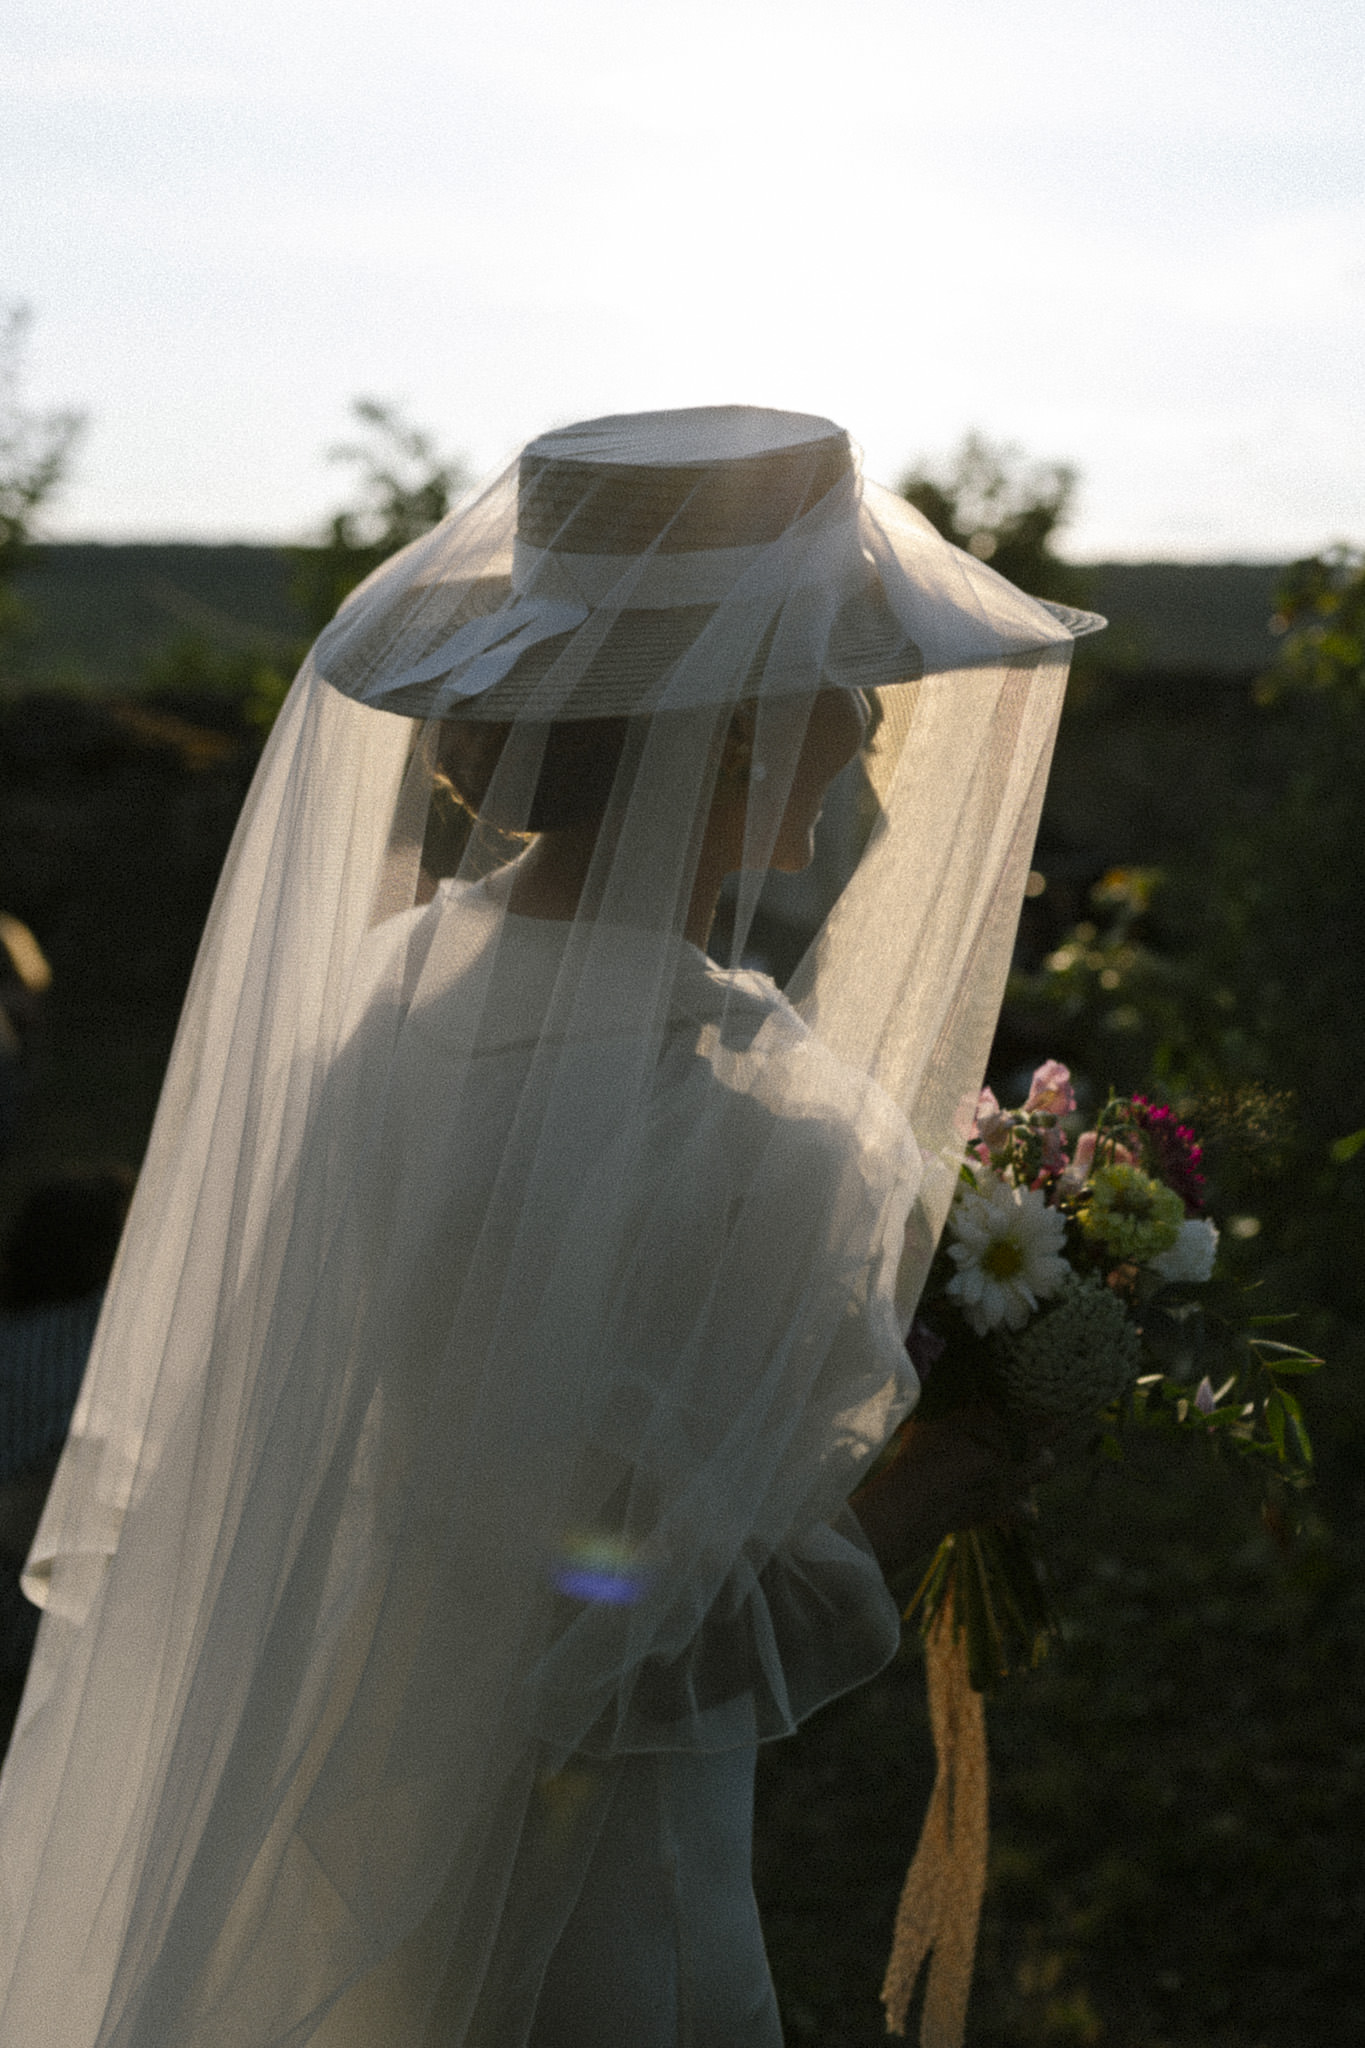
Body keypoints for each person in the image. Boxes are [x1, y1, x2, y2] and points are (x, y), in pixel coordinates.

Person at [0, 406, 1101, 2047]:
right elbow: (630, 1654)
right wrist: (929, 1488)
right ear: (730, 728)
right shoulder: (746, 1123)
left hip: (340, 1837)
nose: (867, 721)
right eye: (831, 669)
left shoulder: (376, 1010)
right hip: (599, 1935)